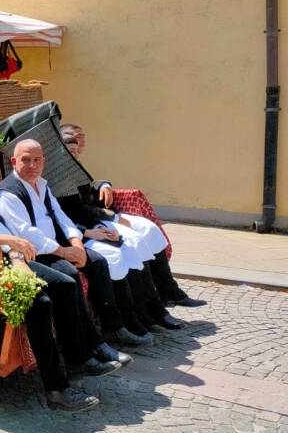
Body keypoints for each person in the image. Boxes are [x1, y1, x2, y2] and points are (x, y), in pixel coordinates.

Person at [0, 147, 128, 411]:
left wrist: (17, 254)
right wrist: (10, 241)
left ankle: (77, 358)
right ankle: (57, 390)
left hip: (2, 259)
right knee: (39, 304)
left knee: (65, 283)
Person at [0, 140, 153, 348]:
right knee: (70, 274)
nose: (32, 165)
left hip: (58, 247)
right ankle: (90, 344)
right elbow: (26, 234)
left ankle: (114, 328)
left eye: (37, 160)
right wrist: (65, 252)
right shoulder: (7, 194)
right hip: (35, 253)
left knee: (99, 262)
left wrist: (78, 245)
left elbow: (61, 217)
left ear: (44, 162)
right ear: (14, 161)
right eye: (26, 160)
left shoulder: (42, 185)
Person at [61, 123, 205, 307]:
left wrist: (104, 184)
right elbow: (77, 208)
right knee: (133, 240)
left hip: (98, 217)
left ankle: (168, 290)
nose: (82, 142)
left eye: (82, 137)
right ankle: (147, 303)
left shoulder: (75, 163)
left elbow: (89, 184)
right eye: (76, 137)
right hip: (91, 223)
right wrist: (110, 217)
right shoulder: (60, 174)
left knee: (150, 229)